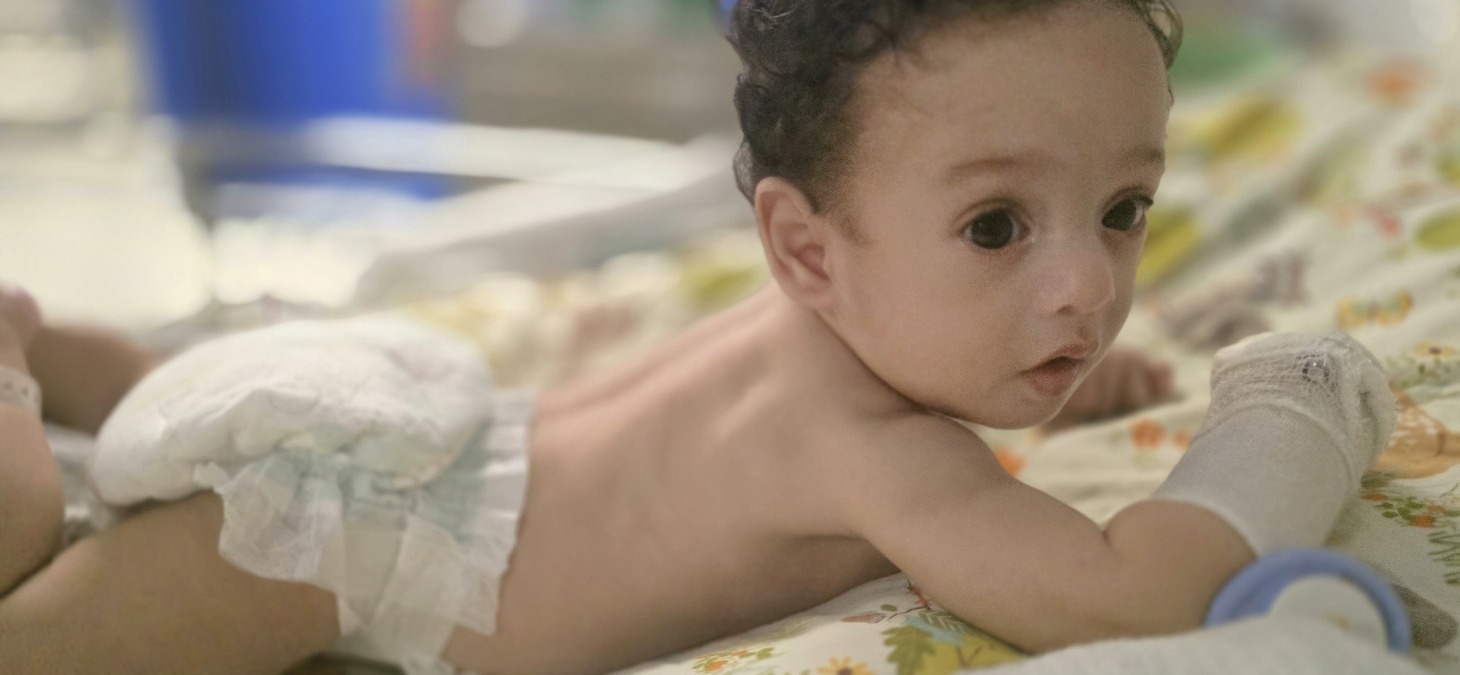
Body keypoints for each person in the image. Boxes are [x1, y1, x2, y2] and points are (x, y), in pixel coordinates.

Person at [0, 0, 1399, 673]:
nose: (1086, 292)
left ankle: (41, 353)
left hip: (392, 420)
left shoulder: (821, 318)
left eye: (1125, 208)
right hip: (334, 552)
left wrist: (1080, 387)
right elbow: (1127, 598)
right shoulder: (872, 446)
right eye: (996, 229)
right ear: (807, 245)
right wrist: (1297, 405)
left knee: (139, 402)